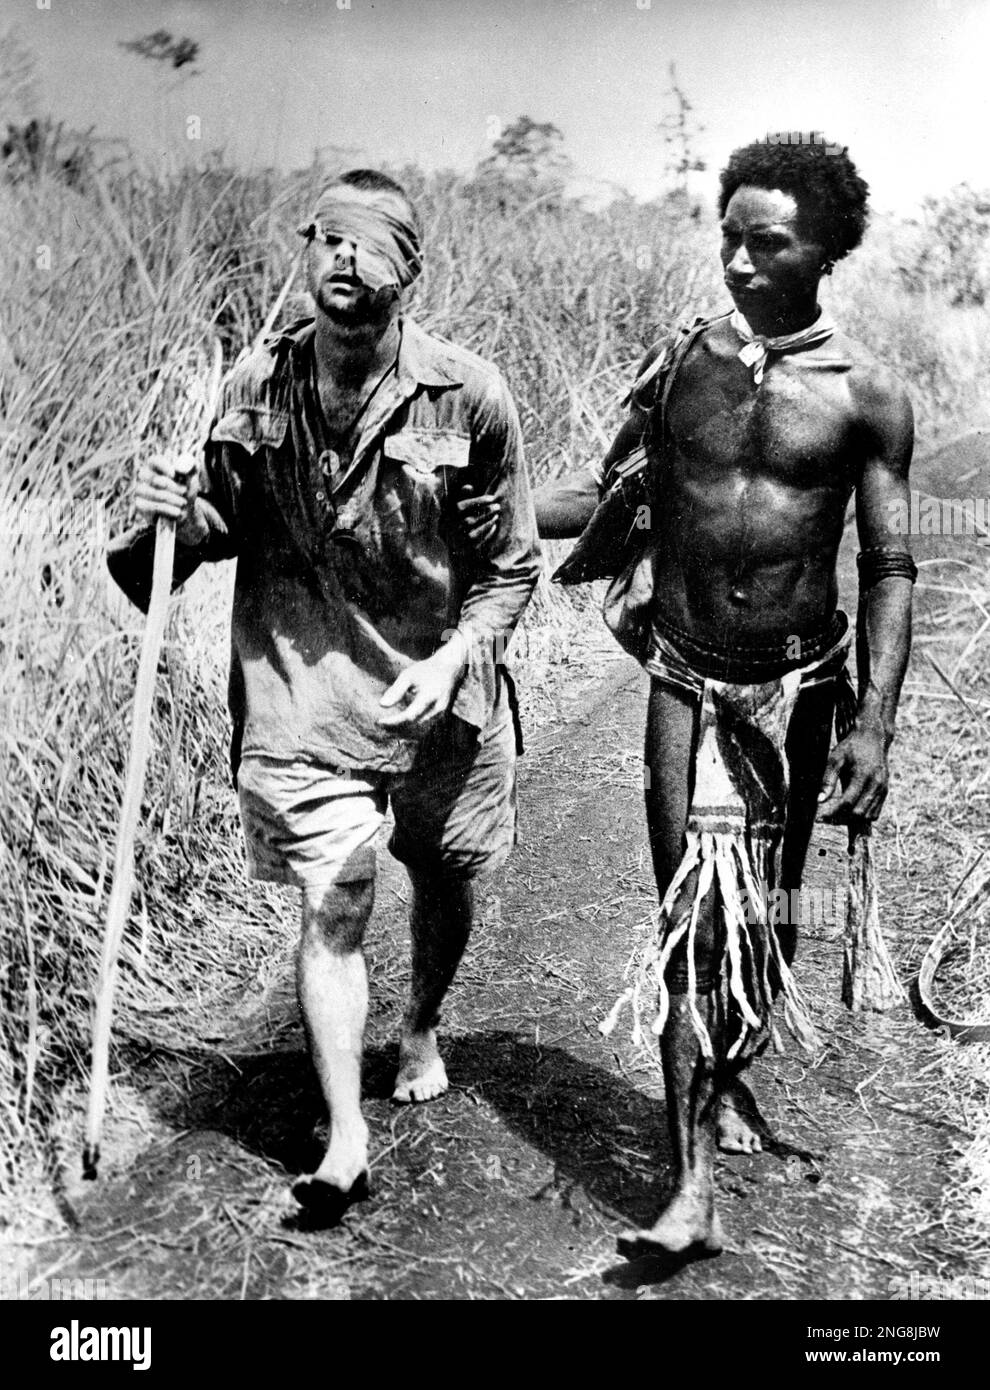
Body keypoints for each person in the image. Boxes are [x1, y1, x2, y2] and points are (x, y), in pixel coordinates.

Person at [475, 136, 916, 1258]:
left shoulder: (866, 397)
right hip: (683, 676)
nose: (738, 263)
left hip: (799, 695)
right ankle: (691, 1189)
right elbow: (603, 490)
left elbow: (894, 566)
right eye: (727, 237)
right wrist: (476, 515)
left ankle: (738, 1059)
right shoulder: (683, 365)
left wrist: (875, 723)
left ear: (825, 252)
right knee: (687, 924)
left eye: (766, 244)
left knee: (768, 927)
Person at [109, 169, 541, 1222]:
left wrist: (456, 658)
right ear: (308, 255)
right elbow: (184, 554)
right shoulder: (256, 389)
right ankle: (346, 1133)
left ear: (413, 271)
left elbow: (515, 564)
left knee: (444, 874)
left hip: (438, 690)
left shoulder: (467, 394)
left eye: (375, 241)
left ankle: (425, 1018)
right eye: (330, 238)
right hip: (303, 685)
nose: (348, 259)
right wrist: (159, 514)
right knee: (337, 894)